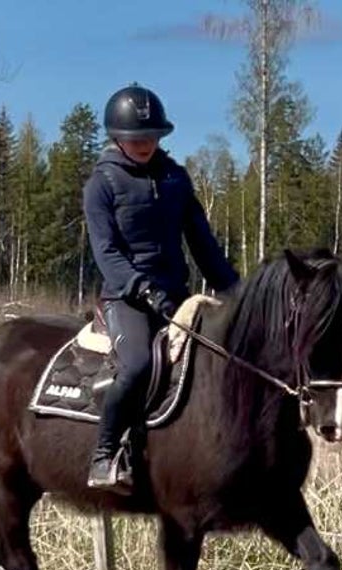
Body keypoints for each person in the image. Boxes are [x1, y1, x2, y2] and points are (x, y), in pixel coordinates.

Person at [83, 83, 240, 493]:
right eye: (137, 138)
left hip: (177, 295)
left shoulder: (176, 178)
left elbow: (202, 243)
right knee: (137, 365)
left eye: (152, 136)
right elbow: (106, 252)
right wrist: (141, 288)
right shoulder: (101, 184)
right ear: (118, 137)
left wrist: (236, 290)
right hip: (127, 297)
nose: (145, 143)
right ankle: (105, 454)